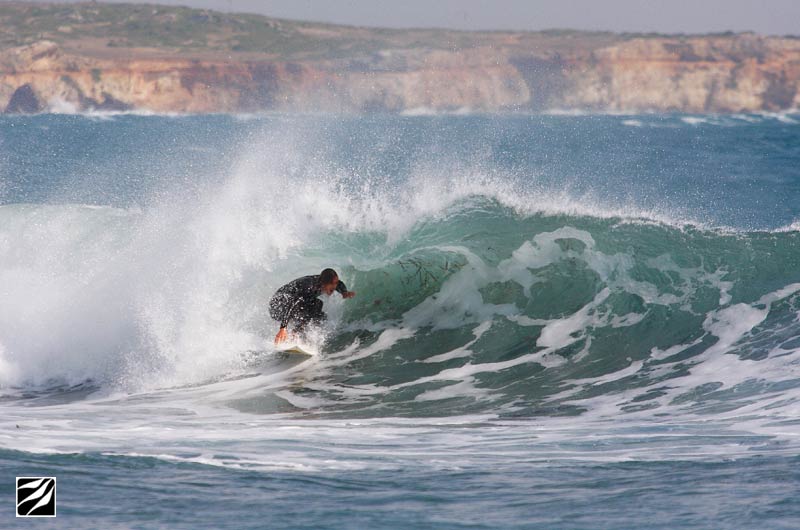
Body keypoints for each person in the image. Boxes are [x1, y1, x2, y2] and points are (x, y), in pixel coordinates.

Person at [269, 268, 356, 344]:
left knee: (321, 316)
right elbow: (292, 303)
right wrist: (283, 327)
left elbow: (339, 284)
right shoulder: (309, 286)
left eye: (334, 287)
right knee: (316, 304)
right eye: (331, 288)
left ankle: (296, 333)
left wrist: (344, 292)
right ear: (324, 283)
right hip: (277, 305)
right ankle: (292, 334)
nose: (333, 289)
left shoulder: (327, 283)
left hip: (289, 305)